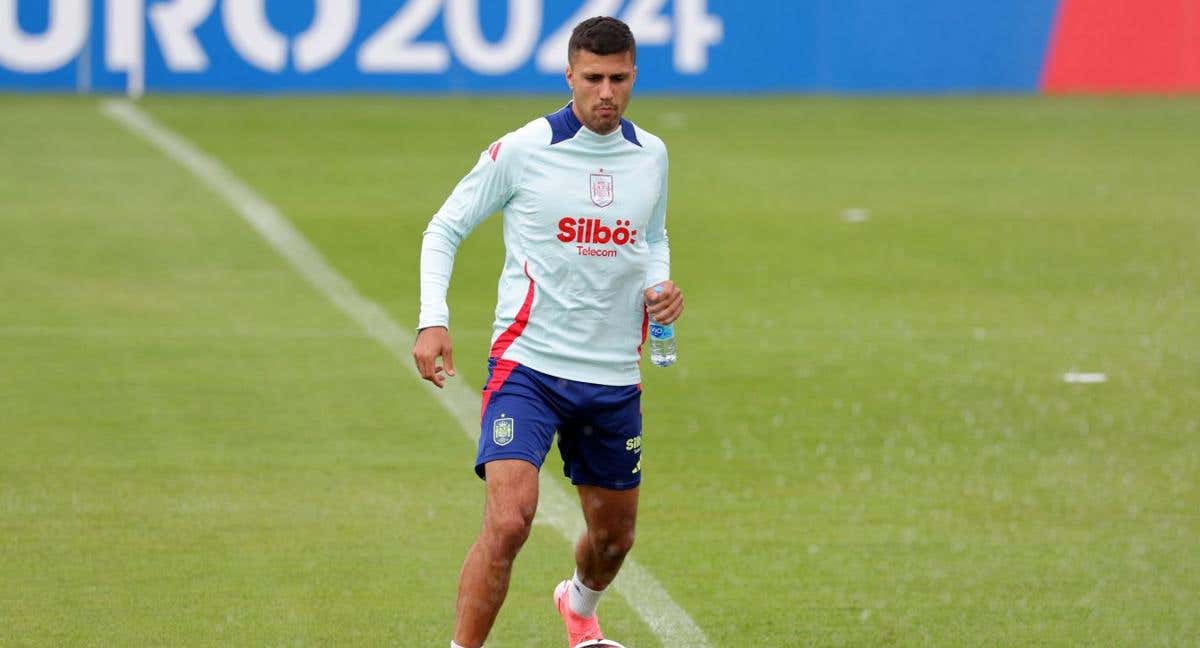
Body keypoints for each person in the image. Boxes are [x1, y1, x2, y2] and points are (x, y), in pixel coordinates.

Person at [412, 16, 683, 648]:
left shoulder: (652, 157)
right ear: (570, 76)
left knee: (614, 537)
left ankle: (578, 609)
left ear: (634, 76)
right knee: (510, 521)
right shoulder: (525, 150)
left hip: (612, 374)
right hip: (527, 366)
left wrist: (661, 290)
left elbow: (654, 236)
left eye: (618, 78)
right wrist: (433, 319)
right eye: (593, 78)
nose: (606, 93)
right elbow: (444, 228)